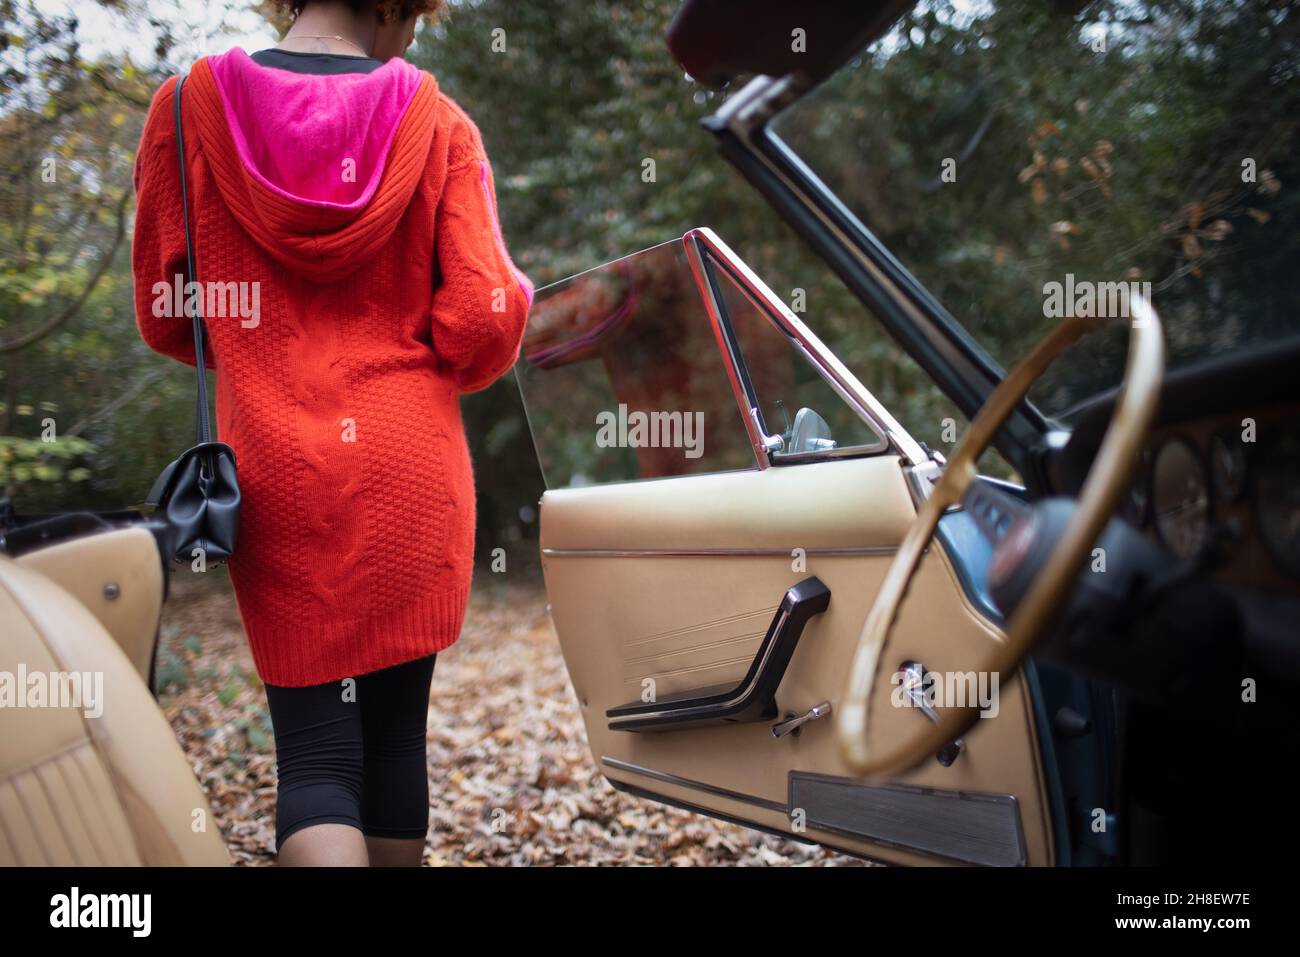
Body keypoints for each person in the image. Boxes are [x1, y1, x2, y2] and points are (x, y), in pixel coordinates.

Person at [131, 0, 533, 866]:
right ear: (393, 4)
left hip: (272, 471)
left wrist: (255, 333)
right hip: (409, 467)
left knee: (313, 753)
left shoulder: (184, 111)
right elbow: (480, 322)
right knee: (394, 742)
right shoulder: (440, 123)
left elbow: (168, 317)